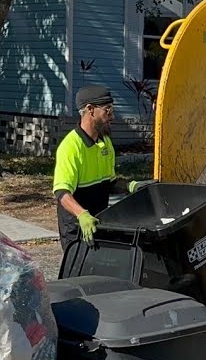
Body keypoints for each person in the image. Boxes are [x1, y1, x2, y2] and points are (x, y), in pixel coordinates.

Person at [53, 85, 150, 255]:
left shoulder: (105, 143)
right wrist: (82, 215)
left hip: (100, 222)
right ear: (90, 110)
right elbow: (61, 192)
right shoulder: (70, 147)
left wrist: (131, 186)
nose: (112, 117)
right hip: (77, 229)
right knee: (79, 277)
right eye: (108, 110)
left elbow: (109, 183)